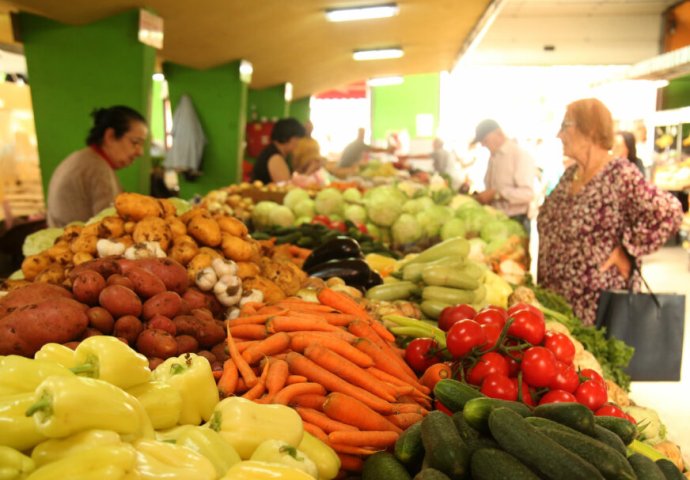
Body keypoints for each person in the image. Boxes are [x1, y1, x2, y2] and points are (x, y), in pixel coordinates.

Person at [537, 98, 683, 326]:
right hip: (557, 303)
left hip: (594, 305)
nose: (559, 134)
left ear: (591, 129)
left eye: (566, 125)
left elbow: (670, 212)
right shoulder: (570, 175)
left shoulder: (619, 174)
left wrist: (628, 250)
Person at [46, 106, 148, 227]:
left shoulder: (82, 157)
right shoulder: (98, 169)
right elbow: (111, 227)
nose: (140, 152)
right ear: (110, 136)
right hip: (70, 242)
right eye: (135, 142)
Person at [472, 119, 536, 232]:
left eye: (485, 140)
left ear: (499, 134)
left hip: (516, 220)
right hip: (496, 218)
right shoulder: (494, 157)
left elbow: (528, 194)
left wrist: (496, 194)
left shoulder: (519, 155)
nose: (482, 144)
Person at [251, 117, 305, 184]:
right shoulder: (275, 157)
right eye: (297, 139)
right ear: (288, 138)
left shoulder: (274, 152)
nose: (298, 143)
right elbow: (285, 187)